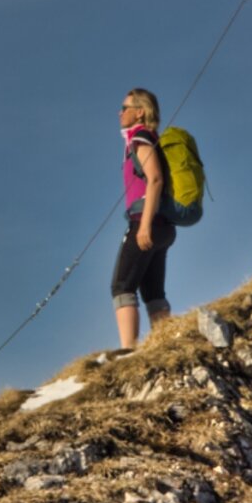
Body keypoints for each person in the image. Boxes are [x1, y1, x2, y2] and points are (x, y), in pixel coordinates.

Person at [112, 88, 176, 349]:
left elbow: (155, 179)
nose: (120, 113)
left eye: (125, 108)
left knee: (122, 286)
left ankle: (129, 350)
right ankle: (165, 345)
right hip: (163, 226)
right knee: (153, 291)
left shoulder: (140, 138)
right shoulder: (147, 138)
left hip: (145, 221)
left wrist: (144, 225)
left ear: (139, 112)